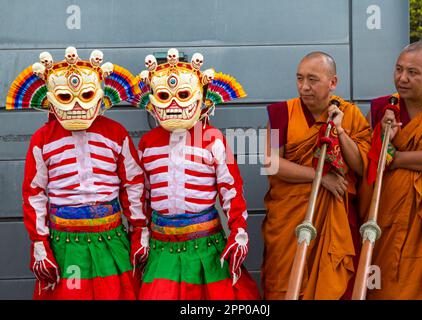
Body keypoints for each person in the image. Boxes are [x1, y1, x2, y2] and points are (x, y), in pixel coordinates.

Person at [6, 47, 149, 299]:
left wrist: (140, 231)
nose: (75, 104)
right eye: (64, 97)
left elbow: (134, 184)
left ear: (100, 95)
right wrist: (40, 243)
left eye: (85, 95)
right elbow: (34, 194)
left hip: (111, 239)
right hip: (65, 244)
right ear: (50, 98)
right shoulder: (43, 139)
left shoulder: (116, 133)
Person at [132, 49, 260, 299]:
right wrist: (140, 235)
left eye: (182, 94)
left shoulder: (213, 139)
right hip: (162, 247)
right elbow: (141, 197)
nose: (173, 104)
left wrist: (239, 232)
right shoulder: (147, 143)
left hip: (205, 247)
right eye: (164, 96)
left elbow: (232, 192)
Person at [261, 52, 371, 299]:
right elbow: (271, 163)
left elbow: (362, 166)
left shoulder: (351, 115)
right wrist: (319, 177)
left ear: (333, 82)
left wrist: (340, 131)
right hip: (289, 221)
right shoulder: (281, 114)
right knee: (286, 285)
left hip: (335, 221)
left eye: (313, 80)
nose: (304, 87)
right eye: (299, 79)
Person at [366, 41, 422, 300]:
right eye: (398, 69)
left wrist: (397, 158)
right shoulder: (383, 108)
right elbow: (371, 161)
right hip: (386, 216)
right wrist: (384, 137)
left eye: (412, 72)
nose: (402, 78)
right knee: (381, 285)